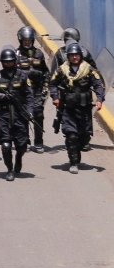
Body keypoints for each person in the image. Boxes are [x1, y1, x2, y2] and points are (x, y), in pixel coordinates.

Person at [49, 42, 105, 173]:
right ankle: (73, 163)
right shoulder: (62, 70)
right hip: (68, 109)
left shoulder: (89, 69)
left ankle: (76, 150)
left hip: (84, 109)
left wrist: (100, 99)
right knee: (71, 136)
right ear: (68, 56)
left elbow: (98, 84)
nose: (74, 57)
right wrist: (55, 97)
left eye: (77, 55)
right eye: (72, 55)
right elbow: (53, 83)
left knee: (85, 136)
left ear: (81, 56)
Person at [0, 47, 34, 181]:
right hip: (3, 114)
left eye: (10, 62)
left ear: (15, 61)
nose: (8, 64)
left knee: (22, 145)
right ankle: (9, 169)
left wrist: (29, 112)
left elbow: (29, 96)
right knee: (6, 145)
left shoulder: (23, 75)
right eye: (6, 62)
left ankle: (19, 158)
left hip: (20, 114)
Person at [15, 26, 50, 152]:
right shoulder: (16, 54)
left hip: (36, 90)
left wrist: (46, 85)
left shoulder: (39, 53)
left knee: (38, 114)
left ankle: (38, 141)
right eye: (25, 40)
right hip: (22, 91)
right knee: (23, 115)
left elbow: (46, 71)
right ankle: (24, 139)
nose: (27, 42)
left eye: (29, 40)